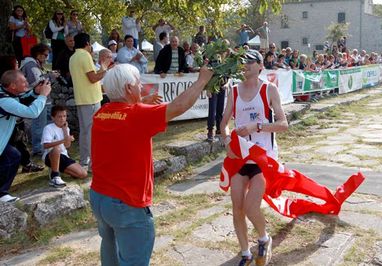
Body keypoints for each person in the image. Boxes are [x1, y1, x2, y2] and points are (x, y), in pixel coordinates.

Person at [89, 63, 213, 266]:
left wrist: (142, 102)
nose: (141, 87)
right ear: (129, 89)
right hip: (126, 203)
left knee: (110, 251)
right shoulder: (137, 115)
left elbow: (124, 115)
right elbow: (178, 107)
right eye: (138, 83)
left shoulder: (101, 113)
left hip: (100, 198)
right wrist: (202, 80)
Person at [220, 50, 288, 266]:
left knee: (251, 207)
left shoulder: (269, 89)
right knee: (237, 207)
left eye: (250, 62)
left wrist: (256, 126)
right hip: (240, 158)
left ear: (260, 65)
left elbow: (283, 124)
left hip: (263, 158)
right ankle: (245, 254)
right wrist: (226, 142)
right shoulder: (233, 91)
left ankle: (263, 238)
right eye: (243, 62)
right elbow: (223, 125)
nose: (246, 65)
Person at [0, 70, 51, 202]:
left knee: (13, 156)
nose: (27, 83)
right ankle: (1, 194)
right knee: (12, 157)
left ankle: (2, 193)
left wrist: (35, 92)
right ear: (12, 86)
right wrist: (43, 96)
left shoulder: (7, 93)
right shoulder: (4, 100)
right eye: (23, 81)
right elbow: (31, 112)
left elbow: (21, 98)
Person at [69, 33, 112, 169]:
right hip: (91, 98)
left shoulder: (73, 57)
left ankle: (84, 161)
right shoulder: (85, 56)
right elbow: (93, 78)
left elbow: (88, 77)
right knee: (92, 132)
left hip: (82, 98)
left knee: (85, 131)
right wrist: (104, 69)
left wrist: (103, 69)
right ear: (87, 43)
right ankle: (93, 163)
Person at [20, 43, 55, 156]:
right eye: (45, 55)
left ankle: (47, 145)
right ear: (38, 54)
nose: (46, 57)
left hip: (45, 99)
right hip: (38, 99)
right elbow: (37, 83)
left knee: (48, 125)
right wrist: (51, 76)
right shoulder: (31, 65)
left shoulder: (35, 64)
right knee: (39, 125)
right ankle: (38, 149)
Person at [41, 105, 87, 188]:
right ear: (53, 118)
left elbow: (67, 145)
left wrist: (65, 131)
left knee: (83, 174)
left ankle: (57, 168)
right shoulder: (48, 128)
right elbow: (45, 145)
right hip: (50, 155)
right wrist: (63, 140)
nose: (62, 119)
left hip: (63, 156)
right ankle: (55, 176)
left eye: (64, 116)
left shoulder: (66, 128)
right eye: (59, 116)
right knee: (56, 148)